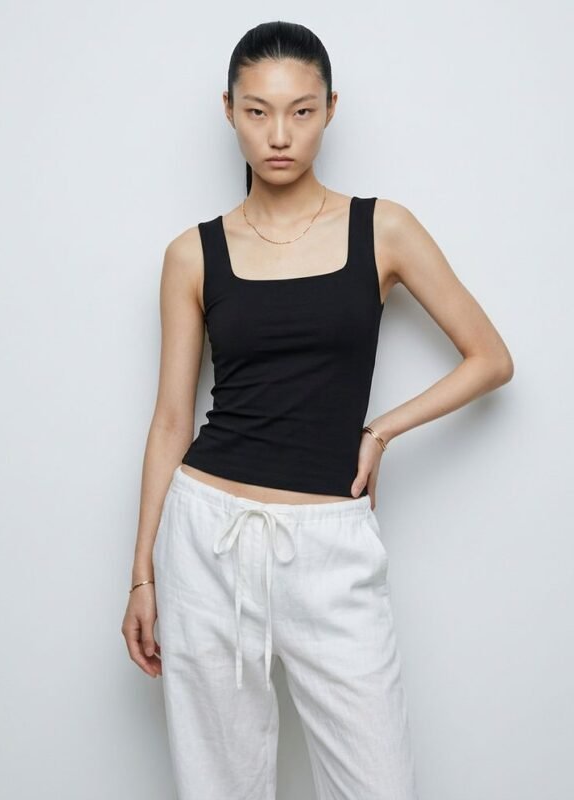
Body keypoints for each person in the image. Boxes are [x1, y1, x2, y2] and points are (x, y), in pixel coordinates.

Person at [121, 20, 514, 800]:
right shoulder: (192, 254)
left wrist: (382, 430)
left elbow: (490, 359)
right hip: (206, 536)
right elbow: (170, 421)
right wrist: (141, 578)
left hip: (330, 545)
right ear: (228, 111)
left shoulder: (383, 228)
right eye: (258, 111)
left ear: (331, 109)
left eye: (301, 111)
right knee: (219, 786)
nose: (280, 135)